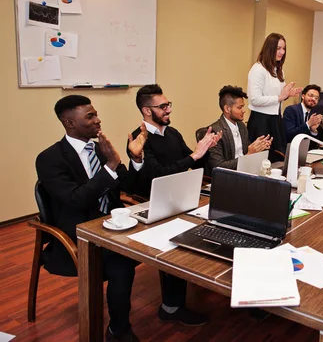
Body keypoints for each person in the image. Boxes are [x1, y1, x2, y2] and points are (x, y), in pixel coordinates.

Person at [36, 96, 206, 342]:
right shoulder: (50, 159)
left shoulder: (99, 149)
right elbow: (76, 200)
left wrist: (135, 160)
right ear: (69, 123)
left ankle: (171, 306)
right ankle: (118, 330)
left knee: (174, 237)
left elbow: (130, 185)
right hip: (79, 235)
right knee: (121, 264)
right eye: (90, 116)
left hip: (116, 225)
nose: (98, 120)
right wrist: (111, 165)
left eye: (96, 114)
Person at [128, 84, 222, 198]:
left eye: (168, 105)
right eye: (163, 107)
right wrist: (194, 155)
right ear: (147, 111)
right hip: (155, 199)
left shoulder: (172, 133)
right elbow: (159, 176)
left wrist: (205, 148)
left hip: (182, 193)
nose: (169, 110)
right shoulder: (137, 140)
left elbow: (196, 164)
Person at [247, 32, 301, 161]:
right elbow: (254, 99)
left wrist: (287, 95)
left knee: (278, 158)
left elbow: (277, 96)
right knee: (263, 161)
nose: (282, 52)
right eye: (278, 48)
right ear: (269, 48)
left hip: (276, 119)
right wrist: (280, 97)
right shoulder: (258, 69)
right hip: (261, 121)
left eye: (284, 48)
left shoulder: (279, 70)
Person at [207, 85, 272, 172]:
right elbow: (218, 166)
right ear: (227, 109)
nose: (243, 110)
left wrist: (259, 147)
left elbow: (246, 151)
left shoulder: (241, 126)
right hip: (228, 177)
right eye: (239, 107)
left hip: (245, 171)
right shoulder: (215, 131)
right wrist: (248, 156)